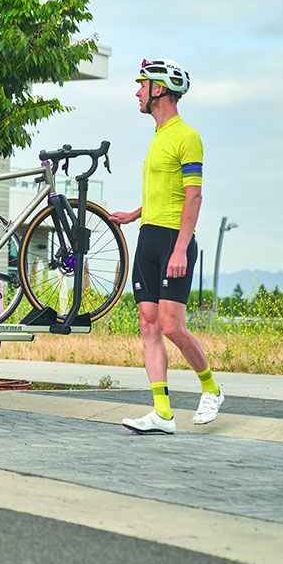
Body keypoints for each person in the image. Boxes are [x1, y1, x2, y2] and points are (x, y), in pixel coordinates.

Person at [110, 59, 223, 434]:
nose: (137, 92)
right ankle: (162, 413)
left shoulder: (186, 136)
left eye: (142, 85)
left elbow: (193, 197)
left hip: (175, 240)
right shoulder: (158, 136)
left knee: (173, 326)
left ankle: (211, 388)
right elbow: (166, 193)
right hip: (148, 237)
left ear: (160, 89)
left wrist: (180, 249)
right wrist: (135, 214)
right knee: (148, 325)